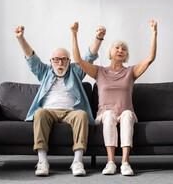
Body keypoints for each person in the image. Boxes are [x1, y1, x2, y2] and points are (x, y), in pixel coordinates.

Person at [14, 25, 106, 177]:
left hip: (72, 112)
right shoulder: (44, 71)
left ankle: (77, 162)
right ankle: (43, 162)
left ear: (69, 61)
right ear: (51, 61)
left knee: (82, 115)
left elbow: (89, 56)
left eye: (64, 60)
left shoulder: (76, 71)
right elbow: (31, 57)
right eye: (56, 60)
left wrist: (99, 37)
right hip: (49, 111)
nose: (60, 63)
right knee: (40, 113)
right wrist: (20, 38)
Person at [71, 20, 157, 176]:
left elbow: (150, 58)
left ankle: (125, 163)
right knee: (109, 114)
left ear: (126, 55)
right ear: (110, 53)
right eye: (116, 47)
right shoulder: (99, 71)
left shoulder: (131, 72)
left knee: (127, 114)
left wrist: (154, 33)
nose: (120, 50)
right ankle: (110, 162)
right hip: (105, 115)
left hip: (127, 114)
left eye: (123, 49)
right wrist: (74, 34)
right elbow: (78, 60)